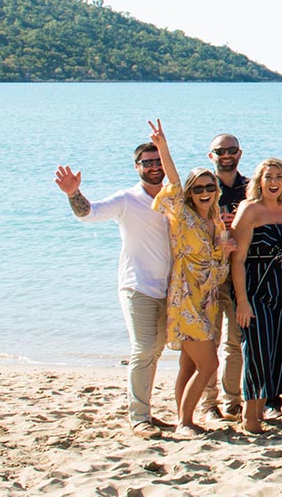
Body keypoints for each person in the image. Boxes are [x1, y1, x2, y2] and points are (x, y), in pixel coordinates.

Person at [56, 137, 173, 435]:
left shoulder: (174, 198)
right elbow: (88, 213)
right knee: (144, 348)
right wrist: (73, 193)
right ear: (137, 167)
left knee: (155, 350)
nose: (154, 167)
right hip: (137, 286)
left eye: (158, 160)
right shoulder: (126, 200)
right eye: (147, 162)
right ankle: (139, 418)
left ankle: (145, 411)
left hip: (171, 288)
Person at [139, 120, 233, 439]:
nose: (205, 192)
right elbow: (174, 181)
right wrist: (163, 146)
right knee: (209, 367)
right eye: (199, 188)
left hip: (207, 303)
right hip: (185, 302)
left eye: (210, 187)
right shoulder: (182, 215)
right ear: (190, 192)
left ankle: (183, 418)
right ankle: (185, 422)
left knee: (189, 366)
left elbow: (218, 272)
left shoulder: (215, 221)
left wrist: (225, 251)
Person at [229, 157, 282, 433]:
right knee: (257, 350)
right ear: (259, 180)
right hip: (257, 285)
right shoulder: (249, 210)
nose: (274, 182)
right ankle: (249, 417)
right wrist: (242, 300)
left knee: (277, 350)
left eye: (279, 177)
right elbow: (237, 260)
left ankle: (261, 412)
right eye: (268, 177)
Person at [206, 132, 248, 421]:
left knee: (235, 342)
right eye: (220, 151)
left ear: (239, 153)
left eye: (231, 150)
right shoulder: (203, 186)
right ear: (212, 156)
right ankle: (208, 403)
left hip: (239, 272)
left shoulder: (250, 187)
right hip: (208, 274)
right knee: (208, 340)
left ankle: (233, 400)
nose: (226, 155)